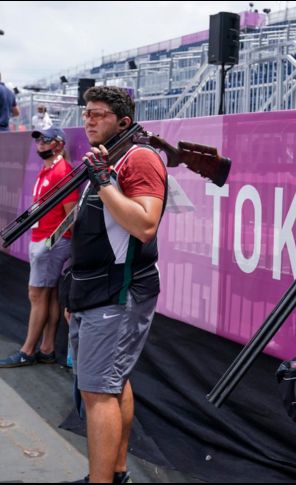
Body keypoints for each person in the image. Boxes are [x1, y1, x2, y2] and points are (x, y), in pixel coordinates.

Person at [68, 86, 167, 484]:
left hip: (119, 290)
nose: (89, 120)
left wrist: (105, 180)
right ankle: (117, 472)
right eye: (86, 113)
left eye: (99, 114)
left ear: (123, 122)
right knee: (110, 384)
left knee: (98, 393)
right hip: (96, 288)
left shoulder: (139, 158)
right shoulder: (109, 158)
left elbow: (145, 225)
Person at [0, 128, 77, 368]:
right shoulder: (48, 170)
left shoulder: (63, 171)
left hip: (50, 242)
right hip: (43, 239)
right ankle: (46, 348)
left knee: (37, 294)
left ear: (58, 143)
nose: (39, 144)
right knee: (48, 294)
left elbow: (71, 215)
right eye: (38, 140)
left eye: (45, 140)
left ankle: (28, 350)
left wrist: (49, 244)